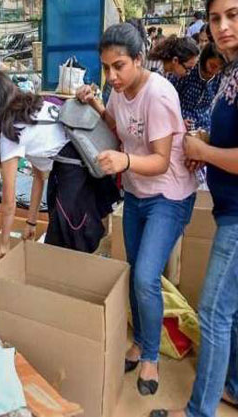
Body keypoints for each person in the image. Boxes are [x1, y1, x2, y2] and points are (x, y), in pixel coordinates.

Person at [76, 22, 198, 396]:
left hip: (169, 194)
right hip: (137, 194)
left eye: (119, 66)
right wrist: (95, 102)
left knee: (146, 276)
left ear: (139, 60)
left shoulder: (158, 95)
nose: (112, 75)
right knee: (135, 273)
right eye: (106, 67)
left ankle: (150, 356)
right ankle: (143, 340)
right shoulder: (120, 90)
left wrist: (125, 162)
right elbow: (118, 124)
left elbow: (161, 161)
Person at [151, 0, 238, 415]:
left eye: (233, 15)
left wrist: (203, 148)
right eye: (216, 18)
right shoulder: (229, 71)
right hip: (228, 208)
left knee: (213, 312)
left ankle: (198, 412)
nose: (222, 27)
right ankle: (234, 387)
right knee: (232, 312)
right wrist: (204, 139)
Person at [0, 71, 119, 255]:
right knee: (70, 234)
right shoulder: (35, 106)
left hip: (73, 173)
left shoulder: (10, 133)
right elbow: (39, 176)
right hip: (84, 165)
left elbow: (9, 202)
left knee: (67, 242)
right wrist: (31, 222)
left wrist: (4, 243)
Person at [172, 43, 225, 131]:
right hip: (180, 123)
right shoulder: (188, 70)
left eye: (220, 68)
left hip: (204, 125)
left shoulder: (220, 77)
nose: (216, 71)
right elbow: (169, 98)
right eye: (213, 66)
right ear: (204, 59)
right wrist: (178, 120)